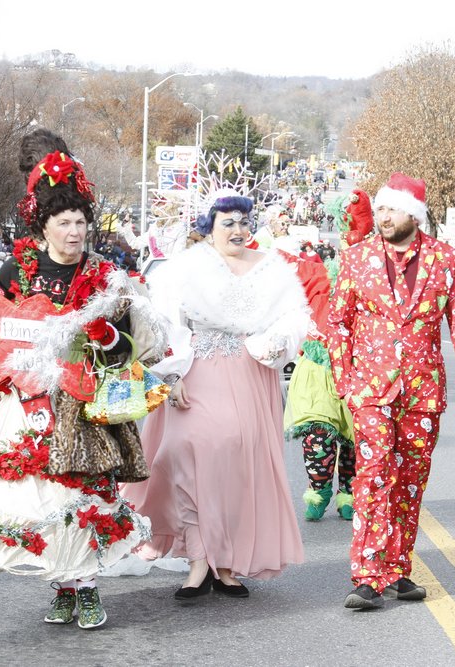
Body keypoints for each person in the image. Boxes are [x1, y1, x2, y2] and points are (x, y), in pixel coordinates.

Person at [0, 128, 167, 630]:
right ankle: (61, 583)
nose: (75, 231)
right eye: (64, 222)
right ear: (44, 225)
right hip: (24, 397)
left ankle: (88, 586)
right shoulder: (14, 270)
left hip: (82, 399)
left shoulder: (103, 276)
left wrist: (106, 338)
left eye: (81, 222)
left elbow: (128, 348)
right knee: (38, 496)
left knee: (81, 491)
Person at [122, 189, 309, 603]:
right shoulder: (185, 268)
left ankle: (223, 563)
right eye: (228, 222)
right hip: (196, 370)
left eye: (244, 221)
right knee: (186, 450)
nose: (238, 230)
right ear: (210, 227)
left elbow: (296, 317)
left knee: (237, 461)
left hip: (248, 373)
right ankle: (198, 559)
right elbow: (163, 323)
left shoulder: (271, 268)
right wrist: (171, 376)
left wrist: (279, 340)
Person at [328, 173, 455, 610]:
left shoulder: (447, 260)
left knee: (410, 483)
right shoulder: (356, 258)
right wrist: (347, 383)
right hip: (371, 391)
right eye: (379, 209)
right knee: (373, 476)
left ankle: (398, 570)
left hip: (423, 392)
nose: (383, 217)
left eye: (392, 209)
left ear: (413, 214)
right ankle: (368, 575)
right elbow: (337, 324)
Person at [284, 190, 373, 522]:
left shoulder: (375, 281)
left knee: (353, 440)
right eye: (349, 242)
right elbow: (275, 263)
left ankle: (348, 492)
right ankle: (319, 488)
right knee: (318, 436)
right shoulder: (320, 277)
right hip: (319, 368)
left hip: (361, 368)